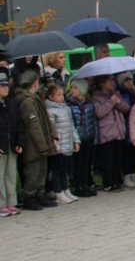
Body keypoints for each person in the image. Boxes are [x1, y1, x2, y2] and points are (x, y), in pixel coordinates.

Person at [15, 70, 57, 210]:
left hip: (41, 143)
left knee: (42, 171)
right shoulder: (27, 102)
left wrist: (52, 136)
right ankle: (29, 197)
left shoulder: (35, 98)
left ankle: (40, 194)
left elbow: (45, 120)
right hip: (33, 145)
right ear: (34, 83)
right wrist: (42, 146)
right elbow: (34, 126)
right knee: (33, 171)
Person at [92, 74, 130, 192]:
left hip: (118, 131)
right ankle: (108, 182)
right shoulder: (96, 97)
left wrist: (118, 101)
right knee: (108, 159)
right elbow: (99, 113)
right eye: (109, 81)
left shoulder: (115, 93)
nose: (112, 83)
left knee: (117, 158)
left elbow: (126, 108)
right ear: (102, 83)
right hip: (107, 133)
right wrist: (110, 102)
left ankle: (117, 180)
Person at [44, 82, 79, 204]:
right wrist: (56, 145)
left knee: (64, 169)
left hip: (68, 143)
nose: (62, 97)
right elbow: (51, 130)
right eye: (58, 95)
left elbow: (72, 126)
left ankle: (66, 189)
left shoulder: (66, 108)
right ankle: (58, 191)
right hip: (58, 145)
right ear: (50, 97)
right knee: (57, 169)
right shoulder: (49, 111)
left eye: (62, 94)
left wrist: (76, 140)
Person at [67, 79, 97, 197]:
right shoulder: (69, 104)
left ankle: (85, 184)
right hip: (77, 139)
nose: (72, 90)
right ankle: (78, 185)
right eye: (72, 88)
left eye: (76, 88)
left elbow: (93, 121)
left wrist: (95, 137)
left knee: (86, 162)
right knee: (78, 163)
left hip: (88, 136)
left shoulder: (89, 104)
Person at [0, 73, 22, 215]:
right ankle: (1, 203)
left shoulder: (11, 103)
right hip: (1, 144)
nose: (5, 88)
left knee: (11, 173)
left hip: (11, 142)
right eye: (2, 86)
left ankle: (11, 201)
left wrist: (19, 141)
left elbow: (19, 124)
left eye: (6, 85)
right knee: (0, 175)